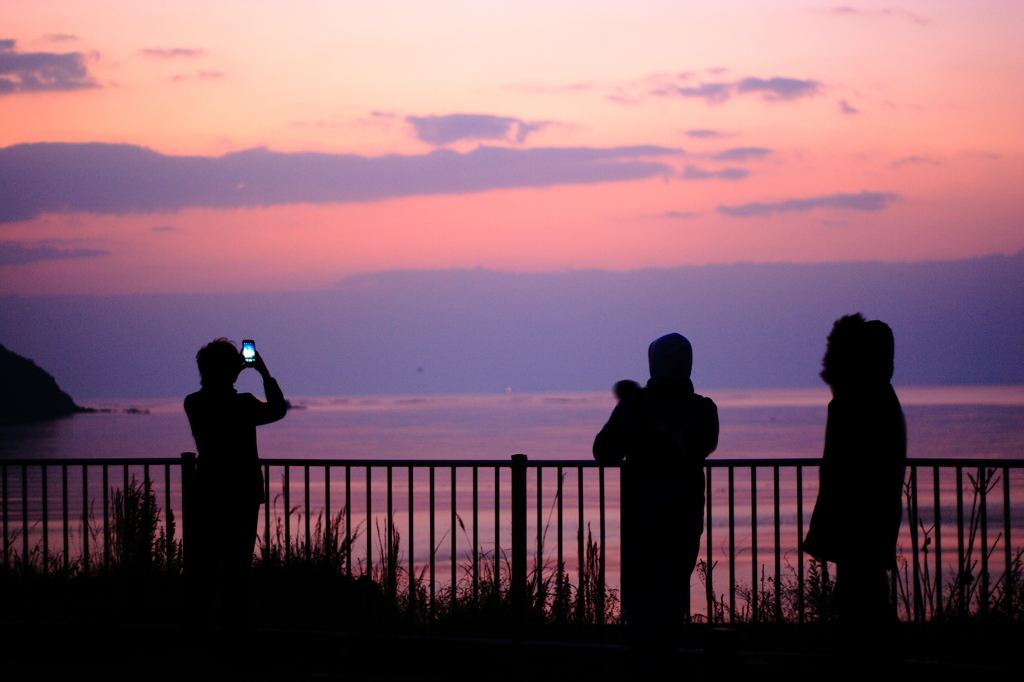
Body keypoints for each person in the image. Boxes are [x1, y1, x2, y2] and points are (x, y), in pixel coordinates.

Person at [593, 333, 718, 677]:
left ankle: (639, 668)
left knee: (639, 600)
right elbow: (703, 447)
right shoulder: (704, 409)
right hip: (683, 519)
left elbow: (604, 452)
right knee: (670, 598)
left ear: (653, 363)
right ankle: (660, 668)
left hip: (641, 517)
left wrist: (630, 412)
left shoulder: (636, 406)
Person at [802, 314, 906, 669]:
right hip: (869, 517)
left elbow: (844, 468)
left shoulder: (859, 400)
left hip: (858, 518)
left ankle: (861, 669)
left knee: (859, 604)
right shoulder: (876, 396)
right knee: (865, 601)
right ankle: (872, 666)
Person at [184, 338, 287, 632]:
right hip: (242, 496)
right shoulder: (243, 405)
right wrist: (263, 372)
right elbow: (278, 410)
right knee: (237, 572)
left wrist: (235, 370)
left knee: (202, 571)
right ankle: (231, 636)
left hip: (208, 493)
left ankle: (195, 634)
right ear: (234, 370)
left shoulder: (194, 402)